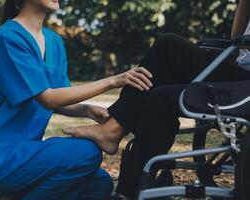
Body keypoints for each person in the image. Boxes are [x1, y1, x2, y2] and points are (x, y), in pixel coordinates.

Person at [0, 0, 153, 199]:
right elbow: (48, 98)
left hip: (27, 151)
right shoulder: (8, 37)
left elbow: (58, 95)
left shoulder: (53, 40)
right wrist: (113, 80)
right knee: (87, 152)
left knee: (98, 184)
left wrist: (87, 110)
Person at [63, 0, 250, 199]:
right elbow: (236, 38)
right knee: (165, 66)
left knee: (166, 71)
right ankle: (128, 186)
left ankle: (115, 141)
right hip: (236, 65)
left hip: (244, 81)